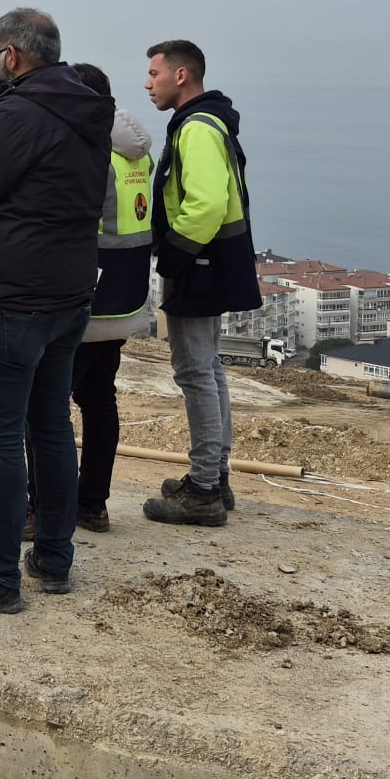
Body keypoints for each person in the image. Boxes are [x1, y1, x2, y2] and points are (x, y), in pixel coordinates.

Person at [0, 8, 111, 613]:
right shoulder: (89, 110)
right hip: (69, 295)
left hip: (13, 299)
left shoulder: (14, 113)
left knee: (3, 442)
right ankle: (54, 558)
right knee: (53, 426)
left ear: (12, 55)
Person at [23, 63, 153, 536]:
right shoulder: (137, 153)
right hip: (125, 298)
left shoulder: (91, 150)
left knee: (45, 407)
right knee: (99, 400)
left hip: (85, 297)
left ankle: (41, 509)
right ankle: (91, 505)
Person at [140, 39, 261, 528]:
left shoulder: (196, 128)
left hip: (200, 262)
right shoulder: (211, 121)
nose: (148, 84)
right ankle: (216, 475)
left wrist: (174, 254)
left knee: (195, 371)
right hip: (215, 261)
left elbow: (207, 203)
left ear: (182, 75)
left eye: (154, 73)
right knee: (209, 369)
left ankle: (205, 488)